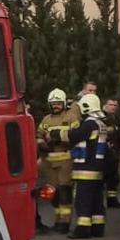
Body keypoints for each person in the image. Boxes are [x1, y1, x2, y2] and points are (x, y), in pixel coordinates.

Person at [67, 93, 110, 238]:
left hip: (85, 169)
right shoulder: (101, 124)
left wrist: (56, 134)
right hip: (98, 169)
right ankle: (98, 228)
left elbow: (73, 136)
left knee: (83, 200)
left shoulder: (89, 124)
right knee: (97, 200)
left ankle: (83, 229)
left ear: (86, 107)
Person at [35, 89, 78, 232]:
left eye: (58, 103)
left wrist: (58, 137)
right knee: (54, 193)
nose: (56, 106)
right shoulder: (46, 119)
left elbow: (76, 135)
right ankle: (57, 221)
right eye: (53, 104)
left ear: (64, 103)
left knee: (65, 192)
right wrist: (41, 144)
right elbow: (38, 135)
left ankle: (65, 223)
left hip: (66, 162)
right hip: (49, 163)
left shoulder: (71, 117)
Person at [101, 98, 120, 208]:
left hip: (113, 153)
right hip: (103, 153)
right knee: (102, 178)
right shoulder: (101, 118)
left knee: (113, 178)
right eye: (111, 105)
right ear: (105, 105)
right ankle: (99, 202)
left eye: (115, 105)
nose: (113, 107)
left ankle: (112, 200)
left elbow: (118, 133)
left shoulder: (115, 118)